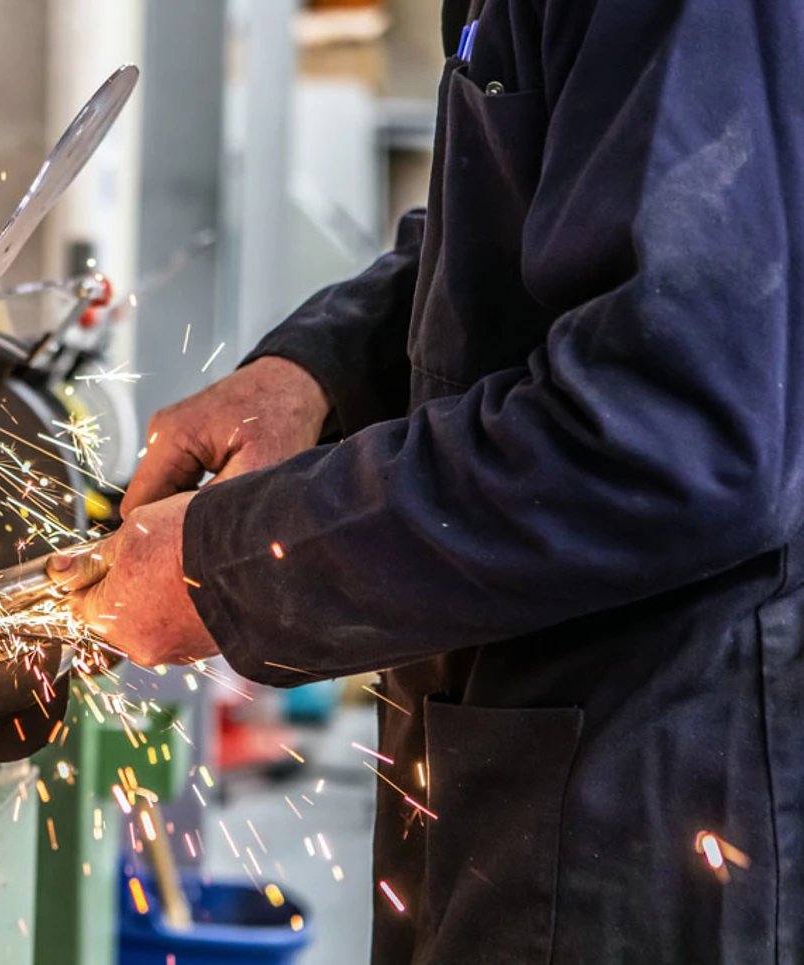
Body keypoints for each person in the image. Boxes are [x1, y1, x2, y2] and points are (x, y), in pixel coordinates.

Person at [57, 0, 804, 961]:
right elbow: (509, 232)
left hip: (658, 800)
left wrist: (228, 562)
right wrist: (316, 368)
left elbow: (669, 430)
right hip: (519, 760)